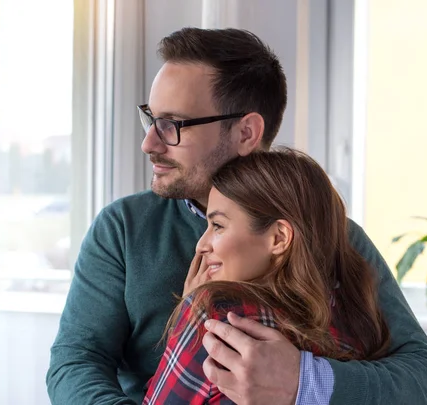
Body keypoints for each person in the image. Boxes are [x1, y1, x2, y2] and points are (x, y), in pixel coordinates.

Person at [46, 27, 427, 405]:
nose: (149, 142)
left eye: (171, 125)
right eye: (151, 118)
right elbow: (74, 364)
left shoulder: (333, 235)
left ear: (245, 133)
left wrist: (303, 381)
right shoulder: (123, 229)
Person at [143, 148, 392, 405]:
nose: (201, 245)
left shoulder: (214, 311)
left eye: (217, 226)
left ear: (279, 238)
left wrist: (188, 316)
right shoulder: (355, 316)